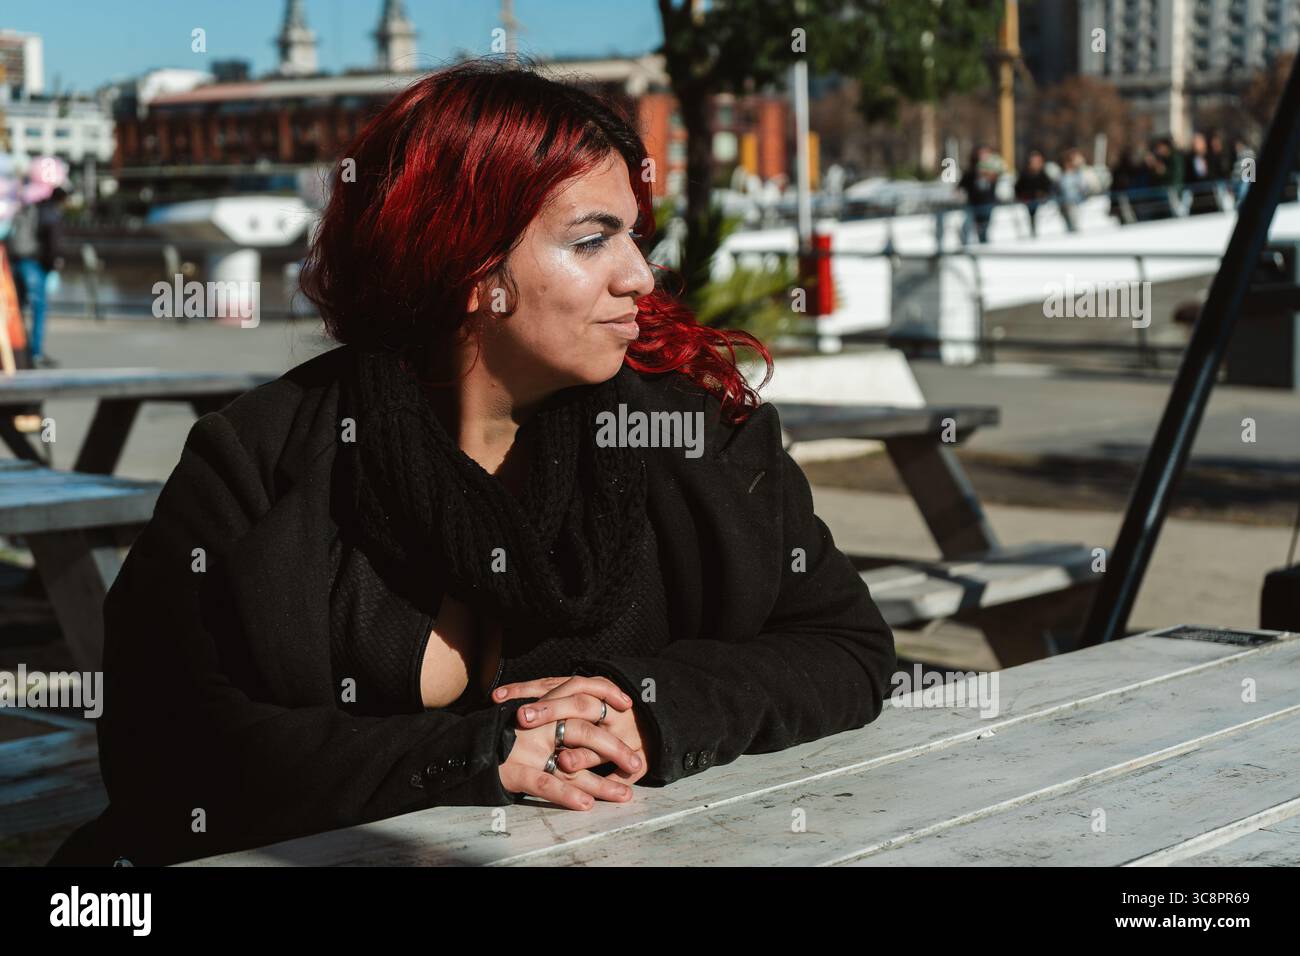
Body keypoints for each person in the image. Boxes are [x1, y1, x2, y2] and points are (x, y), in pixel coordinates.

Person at [47, 58, 897, 867]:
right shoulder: (262, 456)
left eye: (634, 237)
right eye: (593, 240)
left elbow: (848, 647)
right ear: (467, 266)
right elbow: (161, 745)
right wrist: (475, 752)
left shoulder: (695, 437)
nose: (641, 275)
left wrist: (650, 705)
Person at [4, 184, 66, 368]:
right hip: (34, 263)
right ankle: (36, 352)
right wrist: (52, 263)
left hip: (17, 262)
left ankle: (18, 349)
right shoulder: (51, 214)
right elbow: (53, 242)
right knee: (39, 309)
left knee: (17, 308)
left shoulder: (30, 210)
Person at [959, 146, 1001, 244]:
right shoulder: (971, 171)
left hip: (987, 204)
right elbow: (962, 186)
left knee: (983, 229)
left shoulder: (993, 169)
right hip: (973, 205)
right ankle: (966, 247)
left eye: (986, 154)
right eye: (981, 154)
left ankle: (983, 247)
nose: (983, 156)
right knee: (968, 228)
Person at [1014, 149, 1053, 236]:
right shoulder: (1024, 175)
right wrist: (1024, 198)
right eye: (1034, 161)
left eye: (1038, 161)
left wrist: (1043, 195)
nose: (1036, 163)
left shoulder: (1044, 175)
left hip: (1041, 204)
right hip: (1028, 203)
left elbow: (1049, 189)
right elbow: (1018, 189)